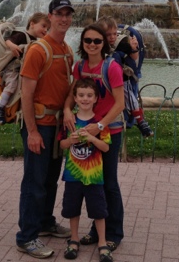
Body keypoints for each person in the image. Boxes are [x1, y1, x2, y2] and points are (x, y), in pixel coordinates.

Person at [16, 0, 75, 259]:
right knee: (34, 182)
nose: (64, 19)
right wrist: (32, 132)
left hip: (57, 125)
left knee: (50, 180)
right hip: (39, 125)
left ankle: (45, 222)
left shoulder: (67, 50)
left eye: (68, 14)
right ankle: (26, 237)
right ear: (50, 17)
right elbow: (26, 94)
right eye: (59, 14)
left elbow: (68, 87)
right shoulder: (38, 50)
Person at [64, 24, 125, 253]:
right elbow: (73, 93)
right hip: (86, 130)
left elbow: (120, 103)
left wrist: (100, 126)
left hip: (108, 131)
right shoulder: (80, 66)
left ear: (104, 44)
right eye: (88, 40)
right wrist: (67, 110)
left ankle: (113, 232)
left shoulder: (112, 67)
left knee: (108, 182)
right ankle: (96, 231)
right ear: (82, 43)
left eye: (97, 41)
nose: (92, 44)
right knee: (91, 183)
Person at [59, 78, 113, 262]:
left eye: (89, 95)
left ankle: (102, 242)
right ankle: (74, 239)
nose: (85, 99)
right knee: (72, 208)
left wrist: (91, 137)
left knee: (99, 210)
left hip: (94, 176)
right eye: (81, 95)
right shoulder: (70, 120)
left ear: (96, 98)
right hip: (73, 175)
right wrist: (71, 140)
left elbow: (106, 147)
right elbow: (62, 144)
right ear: (75, 98)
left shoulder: (99, 123)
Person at [0, 12, 50, 124]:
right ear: (32, 24)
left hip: (21, 71)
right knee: (12, 85)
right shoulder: (21, 35)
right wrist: (12, 46)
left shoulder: (36, 42)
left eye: (48, 28)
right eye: (43, 26)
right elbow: (8, 40)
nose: (46, 30)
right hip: (11, 70)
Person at [97, 16, 154, 137]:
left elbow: (134, 57)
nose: (112, 37)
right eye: (108, 35)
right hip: (104, 79)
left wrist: (134, 48)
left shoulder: (121, 43)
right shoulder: (97, 45)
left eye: (114, 33)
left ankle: (140, 120)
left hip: (122, 78)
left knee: (129, 95)